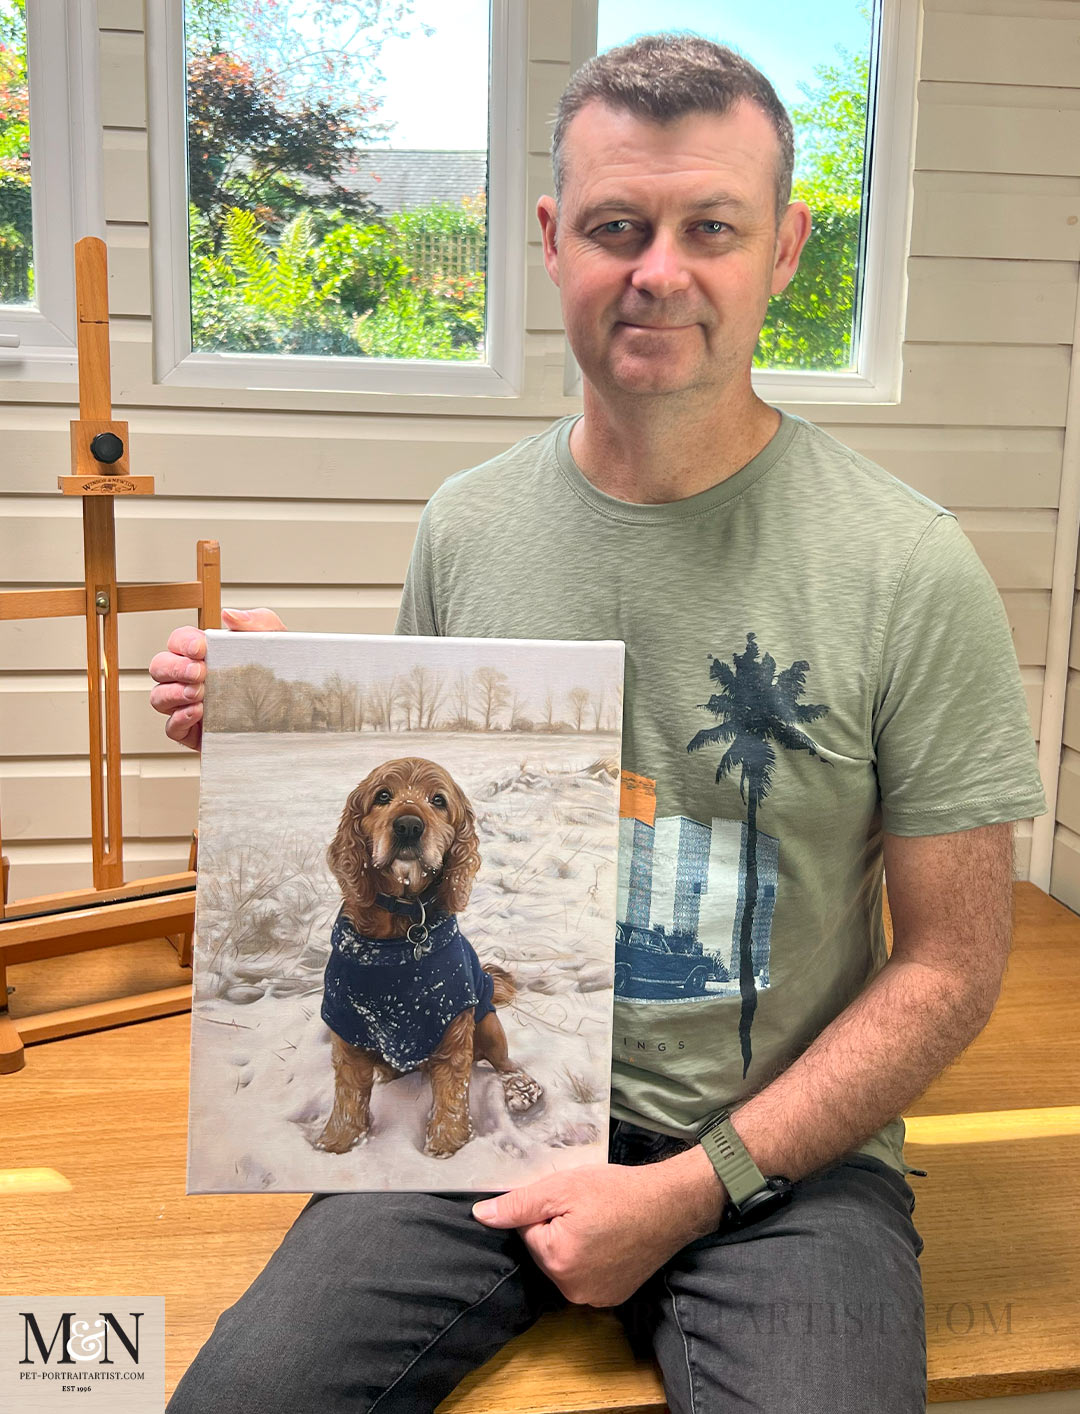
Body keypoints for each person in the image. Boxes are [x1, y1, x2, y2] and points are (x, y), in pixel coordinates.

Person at [151, 34, 1046, 1413]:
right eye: (619, 226)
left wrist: (696, 1185)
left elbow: (953, 968)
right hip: (482, 1128)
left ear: (787, 249)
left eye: (713, 228)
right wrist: (285, 713)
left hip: (779, 1168)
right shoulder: (467, 525)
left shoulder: (909, 566)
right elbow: (425, 818)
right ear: (554, 241)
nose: (661, 269)